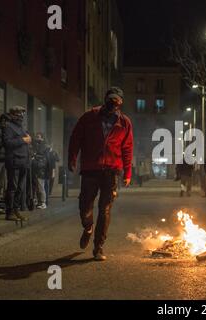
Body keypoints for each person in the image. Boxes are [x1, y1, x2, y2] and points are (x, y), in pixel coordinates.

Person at [69, 87, 133, 261]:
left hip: (112, 171)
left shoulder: (124, 122)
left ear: (121, 103)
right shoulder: (89, 116)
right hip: (91, 168)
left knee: (105, 209)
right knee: (85, 204)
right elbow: (76, 137)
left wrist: (127, 172)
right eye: (111, 99)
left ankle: (98, 247)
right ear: (105, 99)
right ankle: (88, 227)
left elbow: (127, 148)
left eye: (117, 101)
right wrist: (72, 159)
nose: (113, 103)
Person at [3, 107, 31, 221]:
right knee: (13, 187)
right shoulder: (9, 126)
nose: (21, 116)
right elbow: (7, 143)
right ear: (13, 114)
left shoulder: (21, 127)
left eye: (22, 113)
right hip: (14, 161)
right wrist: (24, 140)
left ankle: (15, 210)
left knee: (20, 188)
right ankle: (9, 212)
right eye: (19, 113)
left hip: (23, 161)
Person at [31, 133, 50, 209]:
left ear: (42, 138)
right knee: (38, 187)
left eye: (38, 137)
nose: (36, 138)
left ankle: (43, 202)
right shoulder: (38, 145)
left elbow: (42, 156)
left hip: (41, 169)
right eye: (36, 137)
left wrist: (35, 156)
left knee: (40, 186)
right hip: (37, 168)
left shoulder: (43, 146)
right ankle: (40, 202)